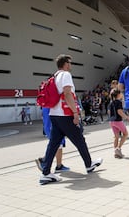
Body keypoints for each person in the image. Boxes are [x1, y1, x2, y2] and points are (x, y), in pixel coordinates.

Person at [37, 54, 103, 185]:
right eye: (70, 63)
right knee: (79, 139)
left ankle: (45, 173)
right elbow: (67, 93)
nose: (71, 66)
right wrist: (75, 113)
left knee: (54, 143)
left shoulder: (54, 77)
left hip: (54, 114)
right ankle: (89, 164)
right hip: (65, 114)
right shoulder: (65, 75)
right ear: (66, 64)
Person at [35, 107, 70, 172]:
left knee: (57, 145)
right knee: (58, 144)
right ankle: (46, 162)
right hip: (53, 126)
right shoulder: (50, 103)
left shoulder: (46, 103)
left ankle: (58, 165)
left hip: (51, 126)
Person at [108, 89, 129, 158]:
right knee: (126, 134)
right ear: (118, 95)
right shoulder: (118, 102)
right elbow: (120, 112)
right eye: (121, 93)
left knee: (116, 136)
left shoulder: (111, 103)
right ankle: (118, 148)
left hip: (111, 121)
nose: (122, 94)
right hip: (118, 121)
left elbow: (109, 112)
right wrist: (127, 117)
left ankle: (116, 152)